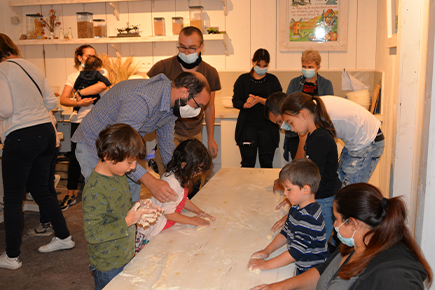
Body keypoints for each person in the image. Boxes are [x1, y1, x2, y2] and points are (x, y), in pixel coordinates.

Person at [251, 183, 433, 290]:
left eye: (337, 220)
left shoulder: (394, 276)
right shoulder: (358, 244)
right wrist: (279, 286)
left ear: (354, 223)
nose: (334, 226)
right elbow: (323, 272)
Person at [72, 71, 211, 203]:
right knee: (107, 202)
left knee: (132, 197)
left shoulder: (171, 104)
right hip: (94, 148)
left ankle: (130, 227)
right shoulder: (143, 99)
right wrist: (151, 182)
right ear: (183, 92)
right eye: (198, 105)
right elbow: (120, 145)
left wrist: (177, 174)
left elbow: (166, 143)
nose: (198, 112)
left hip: (123, 152)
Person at [0, 33, 75, 270]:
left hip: (21, 136)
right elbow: (52, 103)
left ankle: (11, 257)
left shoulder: (2, 69)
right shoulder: (31, 65)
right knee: (42, 191)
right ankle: (64, 237)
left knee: (12, 199)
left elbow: (5, 108)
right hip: (46, 133)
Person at [82, 123, 163, 290]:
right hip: (108, 263)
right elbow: (93, 234)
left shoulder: (118, 175)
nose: (133, 167)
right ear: (108, 156)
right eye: (130, 162)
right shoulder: (94, 190)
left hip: (125, 253)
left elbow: (119, 209)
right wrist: (128, 220)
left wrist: (137, 207)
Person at [266, 93, 385, 186]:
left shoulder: (315, 121)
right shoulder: (308, 112)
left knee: (350, 194)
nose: (288, 128)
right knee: (340, 183)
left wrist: (289, 181)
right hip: (355, 143)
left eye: (287, 122)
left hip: (368, 142)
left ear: (300, 114)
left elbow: (305, 159)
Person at [147, 26, 221, 174]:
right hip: (169, 132)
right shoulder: (163, 67)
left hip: (195, 133)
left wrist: (210, 138)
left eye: (192, 48)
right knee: (169, 174)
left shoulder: (210, 72)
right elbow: (150, 98)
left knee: (193, 176)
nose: (186, 52)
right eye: (182, 47)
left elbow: (210, 107)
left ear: (202, 47)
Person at [248, 159, 329, 276]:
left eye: (288, 189)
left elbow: (294, 253)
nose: (284, 193)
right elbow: (285, 233)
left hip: (312, 272)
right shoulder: (296, 208)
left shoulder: (309, 218)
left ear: (306, 189)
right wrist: (267, 251)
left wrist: (266, 264)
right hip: (301, 266)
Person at [279, 92, 342, 242]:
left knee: (318, 243)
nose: (292, 129)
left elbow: (312, 179)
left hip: (324, 200)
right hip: (321, 197)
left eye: (291, 122)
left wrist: (293, 211)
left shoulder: (320, 138)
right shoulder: (314, 136)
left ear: (303, 115)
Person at [136, 139, 215, 252]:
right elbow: (168, 214)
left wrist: (198, 211)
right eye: (197, 169)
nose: (199, 173)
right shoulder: (172, 182)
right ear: (184, 165)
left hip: (165, 224)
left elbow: (183, 199)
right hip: (153, 228)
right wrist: (193, 220)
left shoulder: (181, 176)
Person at [59, 44, 109, 211]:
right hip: (79, 121)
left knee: (101, 157)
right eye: (88, 56)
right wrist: (78, 102)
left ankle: (102, 193)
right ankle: (71, 194)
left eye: (94, 55)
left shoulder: (101, 72)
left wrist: (79, 92)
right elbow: (64, 99)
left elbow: (102, 86)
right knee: (74, 158)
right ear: (80, 58)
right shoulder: (72, 76)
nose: (91, 59)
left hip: (99, 121)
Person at [232, 48, 282, 168]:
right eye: (258, 65)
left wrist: (260, 100)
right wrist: (245, 104)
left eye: (264, 65)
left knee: (266, 163)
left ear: (268, 65)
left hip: (268, 128)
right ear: (253, 62)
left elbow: (279, 102)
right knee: (247, 164)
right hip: (247, 127)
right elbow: (235, 101)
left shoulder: (273, 80)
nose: (261, 68)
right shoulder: (242, 80)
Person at [285, 49, 334, 161]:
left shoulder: (326, 84)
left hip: (318, 132)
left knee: (316, 164)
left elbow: (327, 109)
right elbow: (287, 107)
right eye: (304, 66)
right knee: (298, 164)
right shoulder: (294, 83)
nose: (307, 70)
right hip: (297, 134)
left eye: (310, 67)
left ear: (318, 67)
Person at [27, 111, 61, 236]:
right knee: (46, 187)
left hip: (41, 146)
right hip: (50, 144)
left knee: (42, 189)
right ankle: (51, 223)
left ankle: (47, 223)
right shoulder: (39, 99)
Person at [70, 55, 111, 121]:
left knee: (78, 104)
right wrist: (110, 85)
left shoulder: (82, 73)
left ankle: (75, 111)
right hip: (93, 94)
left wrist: (76, 89)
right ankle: (100, 112)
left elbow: (77, 82)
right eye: (99, 67)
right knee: (98, 102)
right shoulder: (97, 73)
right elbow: (104, 80)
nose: (100, 69)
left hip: (82, 90)